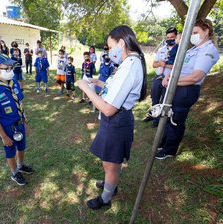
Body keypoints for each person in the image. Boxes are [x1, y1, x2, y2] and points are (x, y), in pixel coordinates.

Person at [77, 25, 147, 210]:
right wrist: (97, 82)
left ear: (121, 43)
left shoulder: (130, 65)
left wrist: (85, 88)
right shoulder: (128, 63)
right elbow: (115, 89)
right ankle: (111, 183)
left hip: (115, 121)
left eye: (110, 46)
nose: (108, 51)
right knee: (108, 161)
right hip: (114, 122)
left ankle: (106, 198)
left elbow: (108, 109)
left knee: (111, 163)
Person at [155, 19, 219, 160]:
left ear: (206, 31)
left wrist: (172, 81)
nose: (193, 35)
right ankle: (163, 143)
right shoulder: (193, 49)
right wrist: (168, 76)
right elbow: (179, 67)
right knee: (166, 116)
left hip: (186, 90)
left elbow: (196, 76)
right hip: (175, 86)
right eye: (192, 32)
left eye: (196, 32)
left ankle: (169, 150)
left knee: (175, 120)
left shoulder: (208, 50)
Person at [0, 53, 33, 185]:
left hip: (19, 124)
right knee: (10, 151)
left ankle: (21, 165)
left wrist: (25, 122)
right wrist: (3, 136)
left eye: (11, 68)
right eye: (6, 68)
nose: (10, 71)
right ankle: (14, 173)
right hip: (7, 128)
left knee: (22, 146)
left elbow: (20, 104)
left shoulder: (14, 82)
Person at [143, 27, 178, 127]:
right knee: (154, 98)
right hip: (158, 78)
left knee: (164, 101)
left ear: (176, 37)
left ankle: (158, 121)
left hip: (168, 80)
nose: (170, 39)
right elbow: (154, 64)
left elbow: (177, 66)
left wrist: (165, 65)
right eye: (168, 37)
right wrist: (160, 64)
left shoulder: (179, 50)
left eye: (172, 37)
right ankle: (153, 116)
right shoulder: (161, 49)